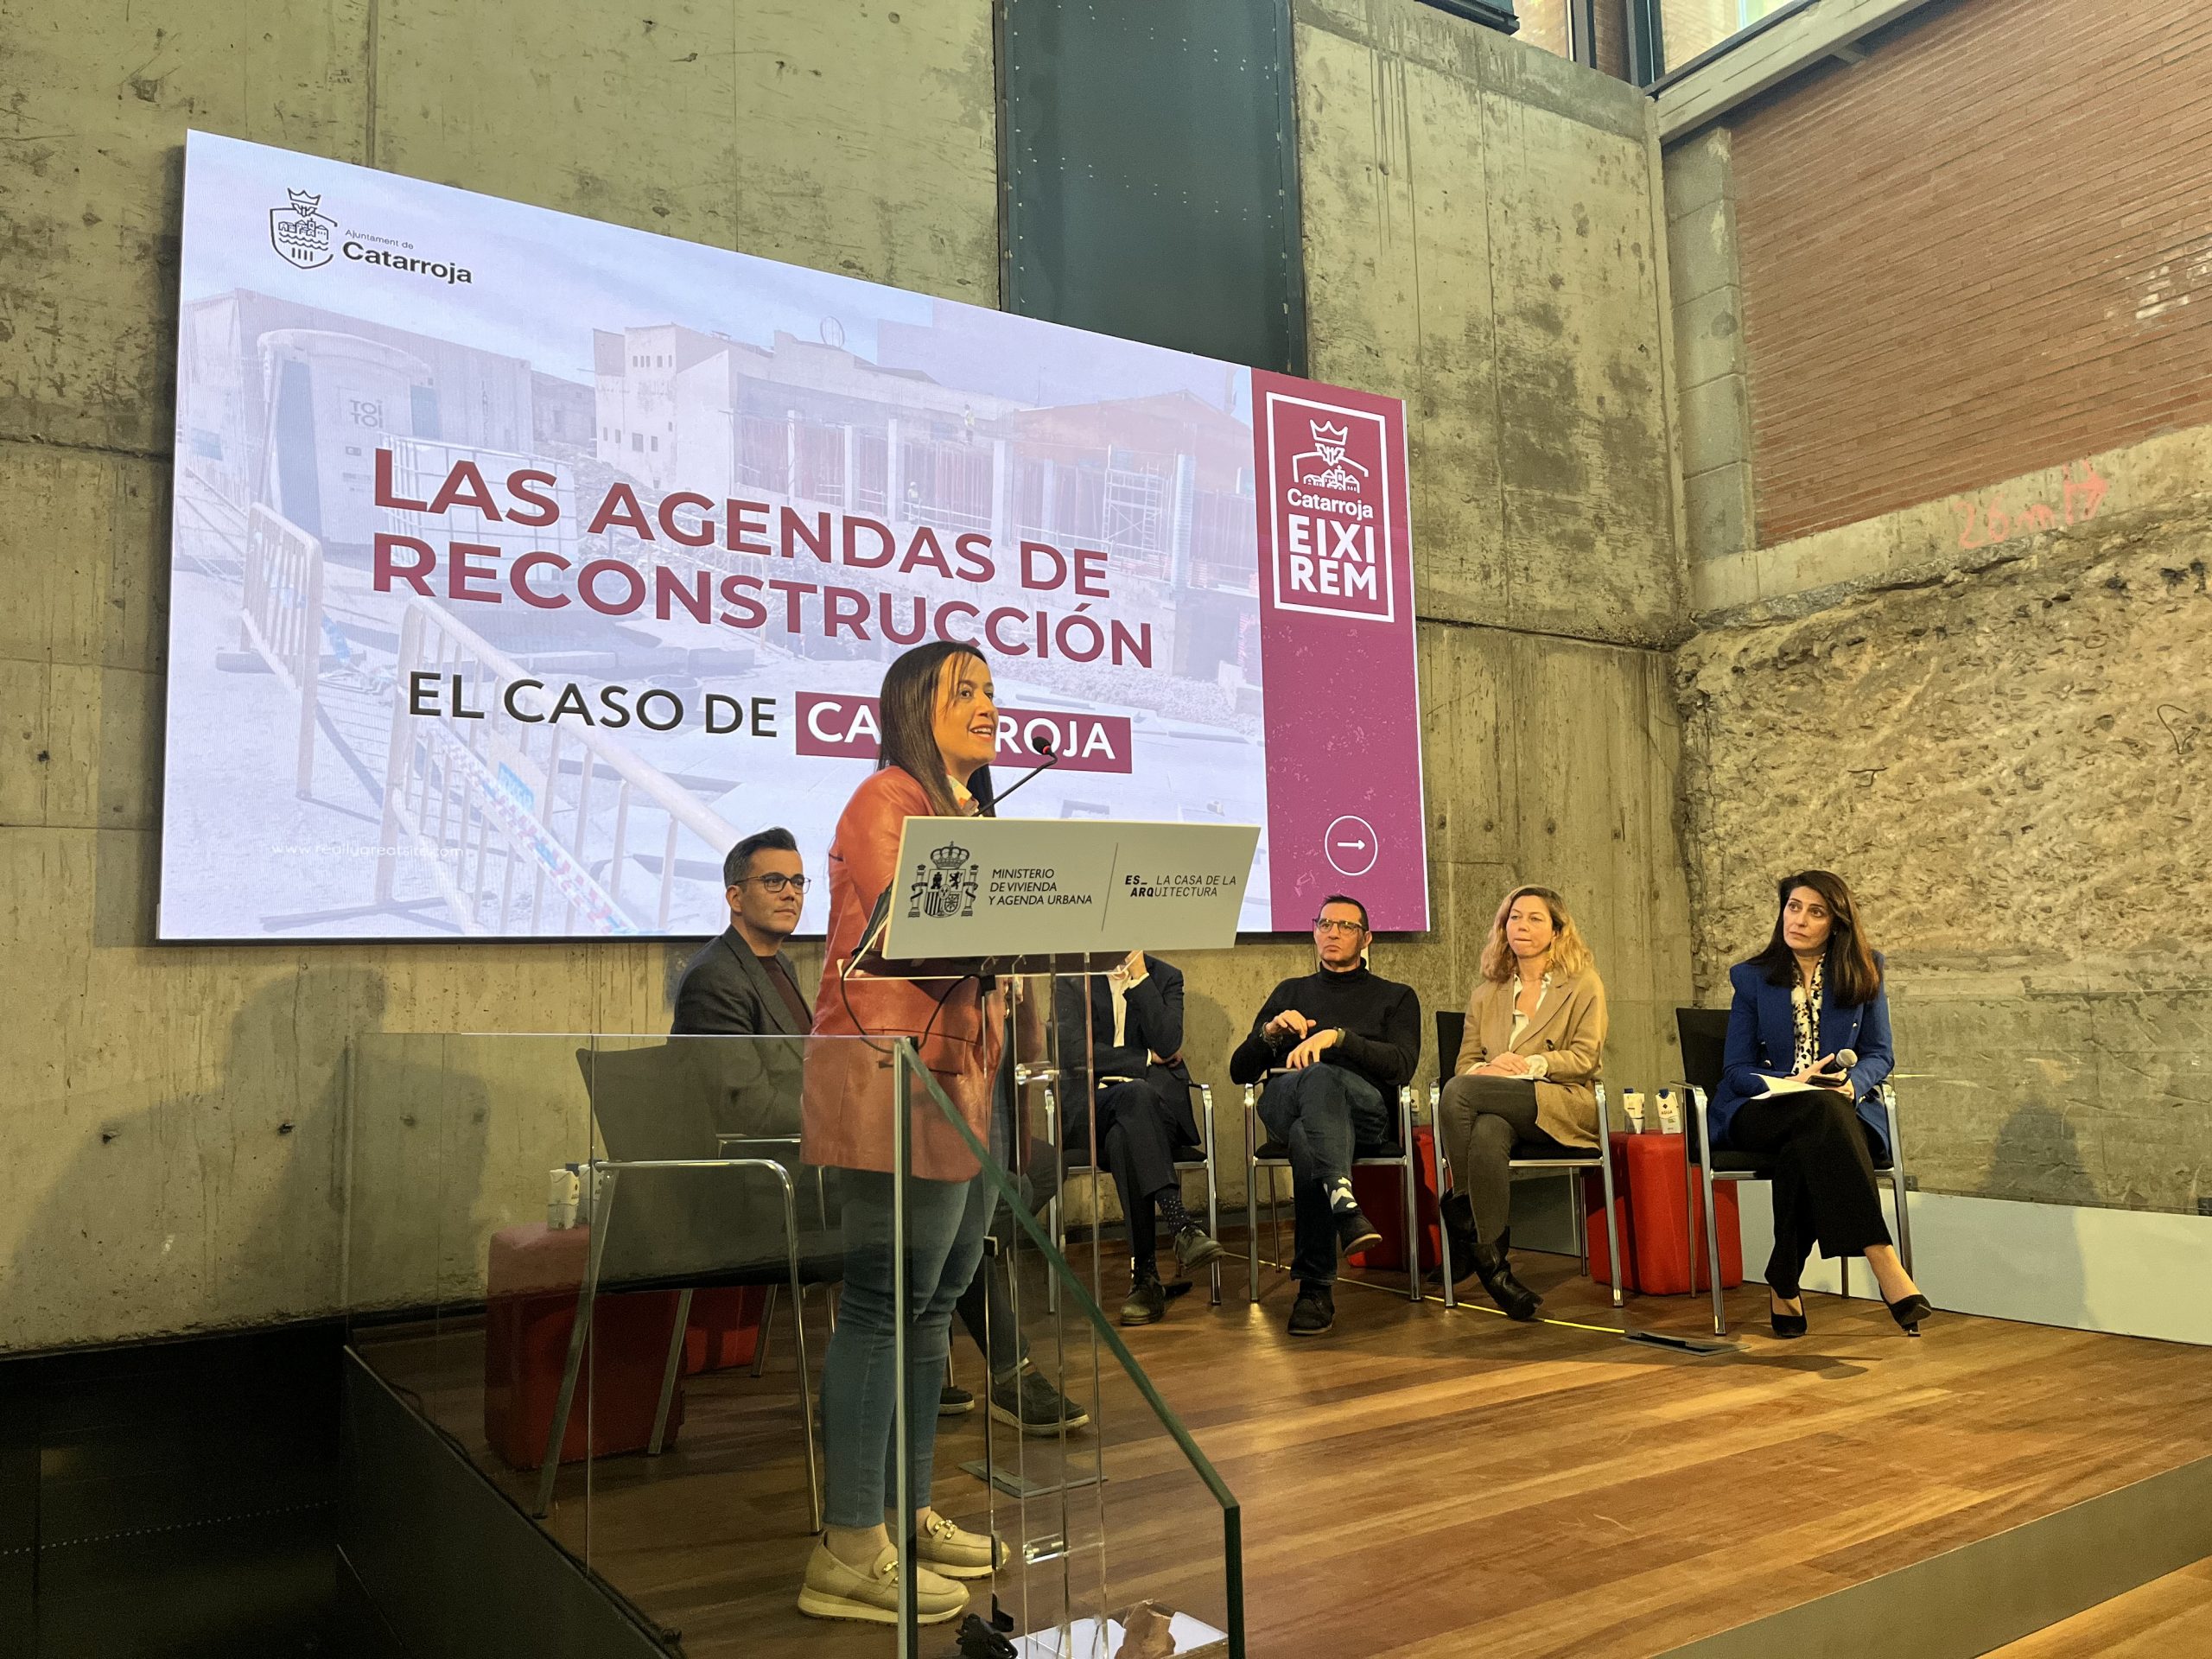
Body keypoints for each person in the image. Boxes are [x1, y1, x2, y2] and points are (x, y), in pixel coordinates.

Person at [796, 640, 1006, 1626]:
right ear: (916, 706)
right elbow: (915, 926)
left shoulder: (969, 811)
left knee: (934, 1307)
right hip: (894, 1076)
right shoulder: (887, 797)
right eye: (966, 691)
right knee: (883, 1305)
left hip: (964, 1080)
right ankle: (846, 1545)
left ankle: (907, 1512)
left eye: (993, 690)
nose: (988, 705)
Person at [1711, 870, 1933, 1339]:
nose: (1799, 919)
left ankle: (1783, 1276)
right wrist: (1789, 1082)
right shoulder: (1751, 977)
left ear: (1836, 924)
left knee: (1812, 1138)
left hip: (1838, 1110)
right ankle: (1883, 1259)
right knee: (1818, 1112)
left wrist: (1852, 1084)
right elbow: (1735, 1069)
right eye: (1793, 907)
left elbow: (1880, 1054)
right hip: (1763, 1108)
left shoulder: (1865, 969)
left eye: (1815, 912)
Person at [1228, 895, 1421, 1338]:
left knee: (1307, 1132)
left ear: (1366, 938)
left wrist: (1338, 1038)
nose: (1333, 932)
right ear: (1314, 931)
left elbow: (1401, 1066)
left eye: (1346, 926)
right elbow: (1240, 1071)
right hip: (1287, 1100)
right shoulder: (1289, 993)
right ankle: (1342, 1204)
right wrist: (1269, 1034)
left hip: (1365, 1114)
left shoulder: (1396, 997)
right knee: (1312, 1086)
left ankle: (1315, 1287)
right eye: (1325, 924)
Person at [1435, 886, 1607, 1322]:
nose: (1522, 926)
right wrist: (1490, 1069)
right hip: (1497, 1102)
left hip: (1560, 1099)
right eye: (1514, 918)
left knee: (1456, 1092)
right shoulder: (1486, 993)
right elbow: (1466, 1063)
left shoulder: (1582, 984)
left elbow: (1586, 1058)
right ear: (1503, 927)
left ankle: (1463, 1219)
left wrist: (1530, 1065)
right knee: (1486, 1131)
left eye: (1534, 918)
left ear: (1557, 930)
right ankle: (1495, 1269)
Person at [1054, 951, 1222, 1327]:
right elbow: (1073, 1053)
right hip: (1093, 1110)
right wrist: (1144, 1058)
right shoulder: (1072, 978)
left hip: (1157, 1114)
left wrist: (1141, 980)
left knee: (1124, 1136)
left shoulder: (1166, 977)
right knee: (1133, 1097)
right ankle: (1180, 1225)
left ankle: (1146, 1277)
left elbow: (1169, 1041)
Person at [944, 1033, 1090, 1435]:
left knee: (1035, 1174)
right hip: (911, 1128)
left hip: (978, 1117)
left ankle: (943, 1300)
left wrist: (1015, 999)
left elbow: (1028, 1045)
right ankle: (1008, 1369)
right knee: (973, 1223)